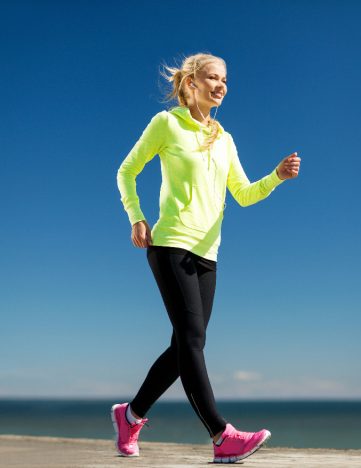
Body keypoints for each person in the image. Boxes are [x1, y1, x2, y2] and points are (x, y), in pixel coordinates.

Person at [112, 52, 301, 464]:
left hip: (207, 252)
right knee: (193, 341)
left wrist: (276, 177)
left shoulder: (226, 139)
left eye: (225, 80)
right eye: (213, 78)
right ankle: (221, 435)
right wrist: (136, 217)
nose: (220, 85)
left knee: (185, 345)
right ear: (191, 82)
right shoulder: (167, 124)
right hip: (170, 244)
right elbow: (126, 171)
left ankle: (130, 415)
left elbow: (244, 195)